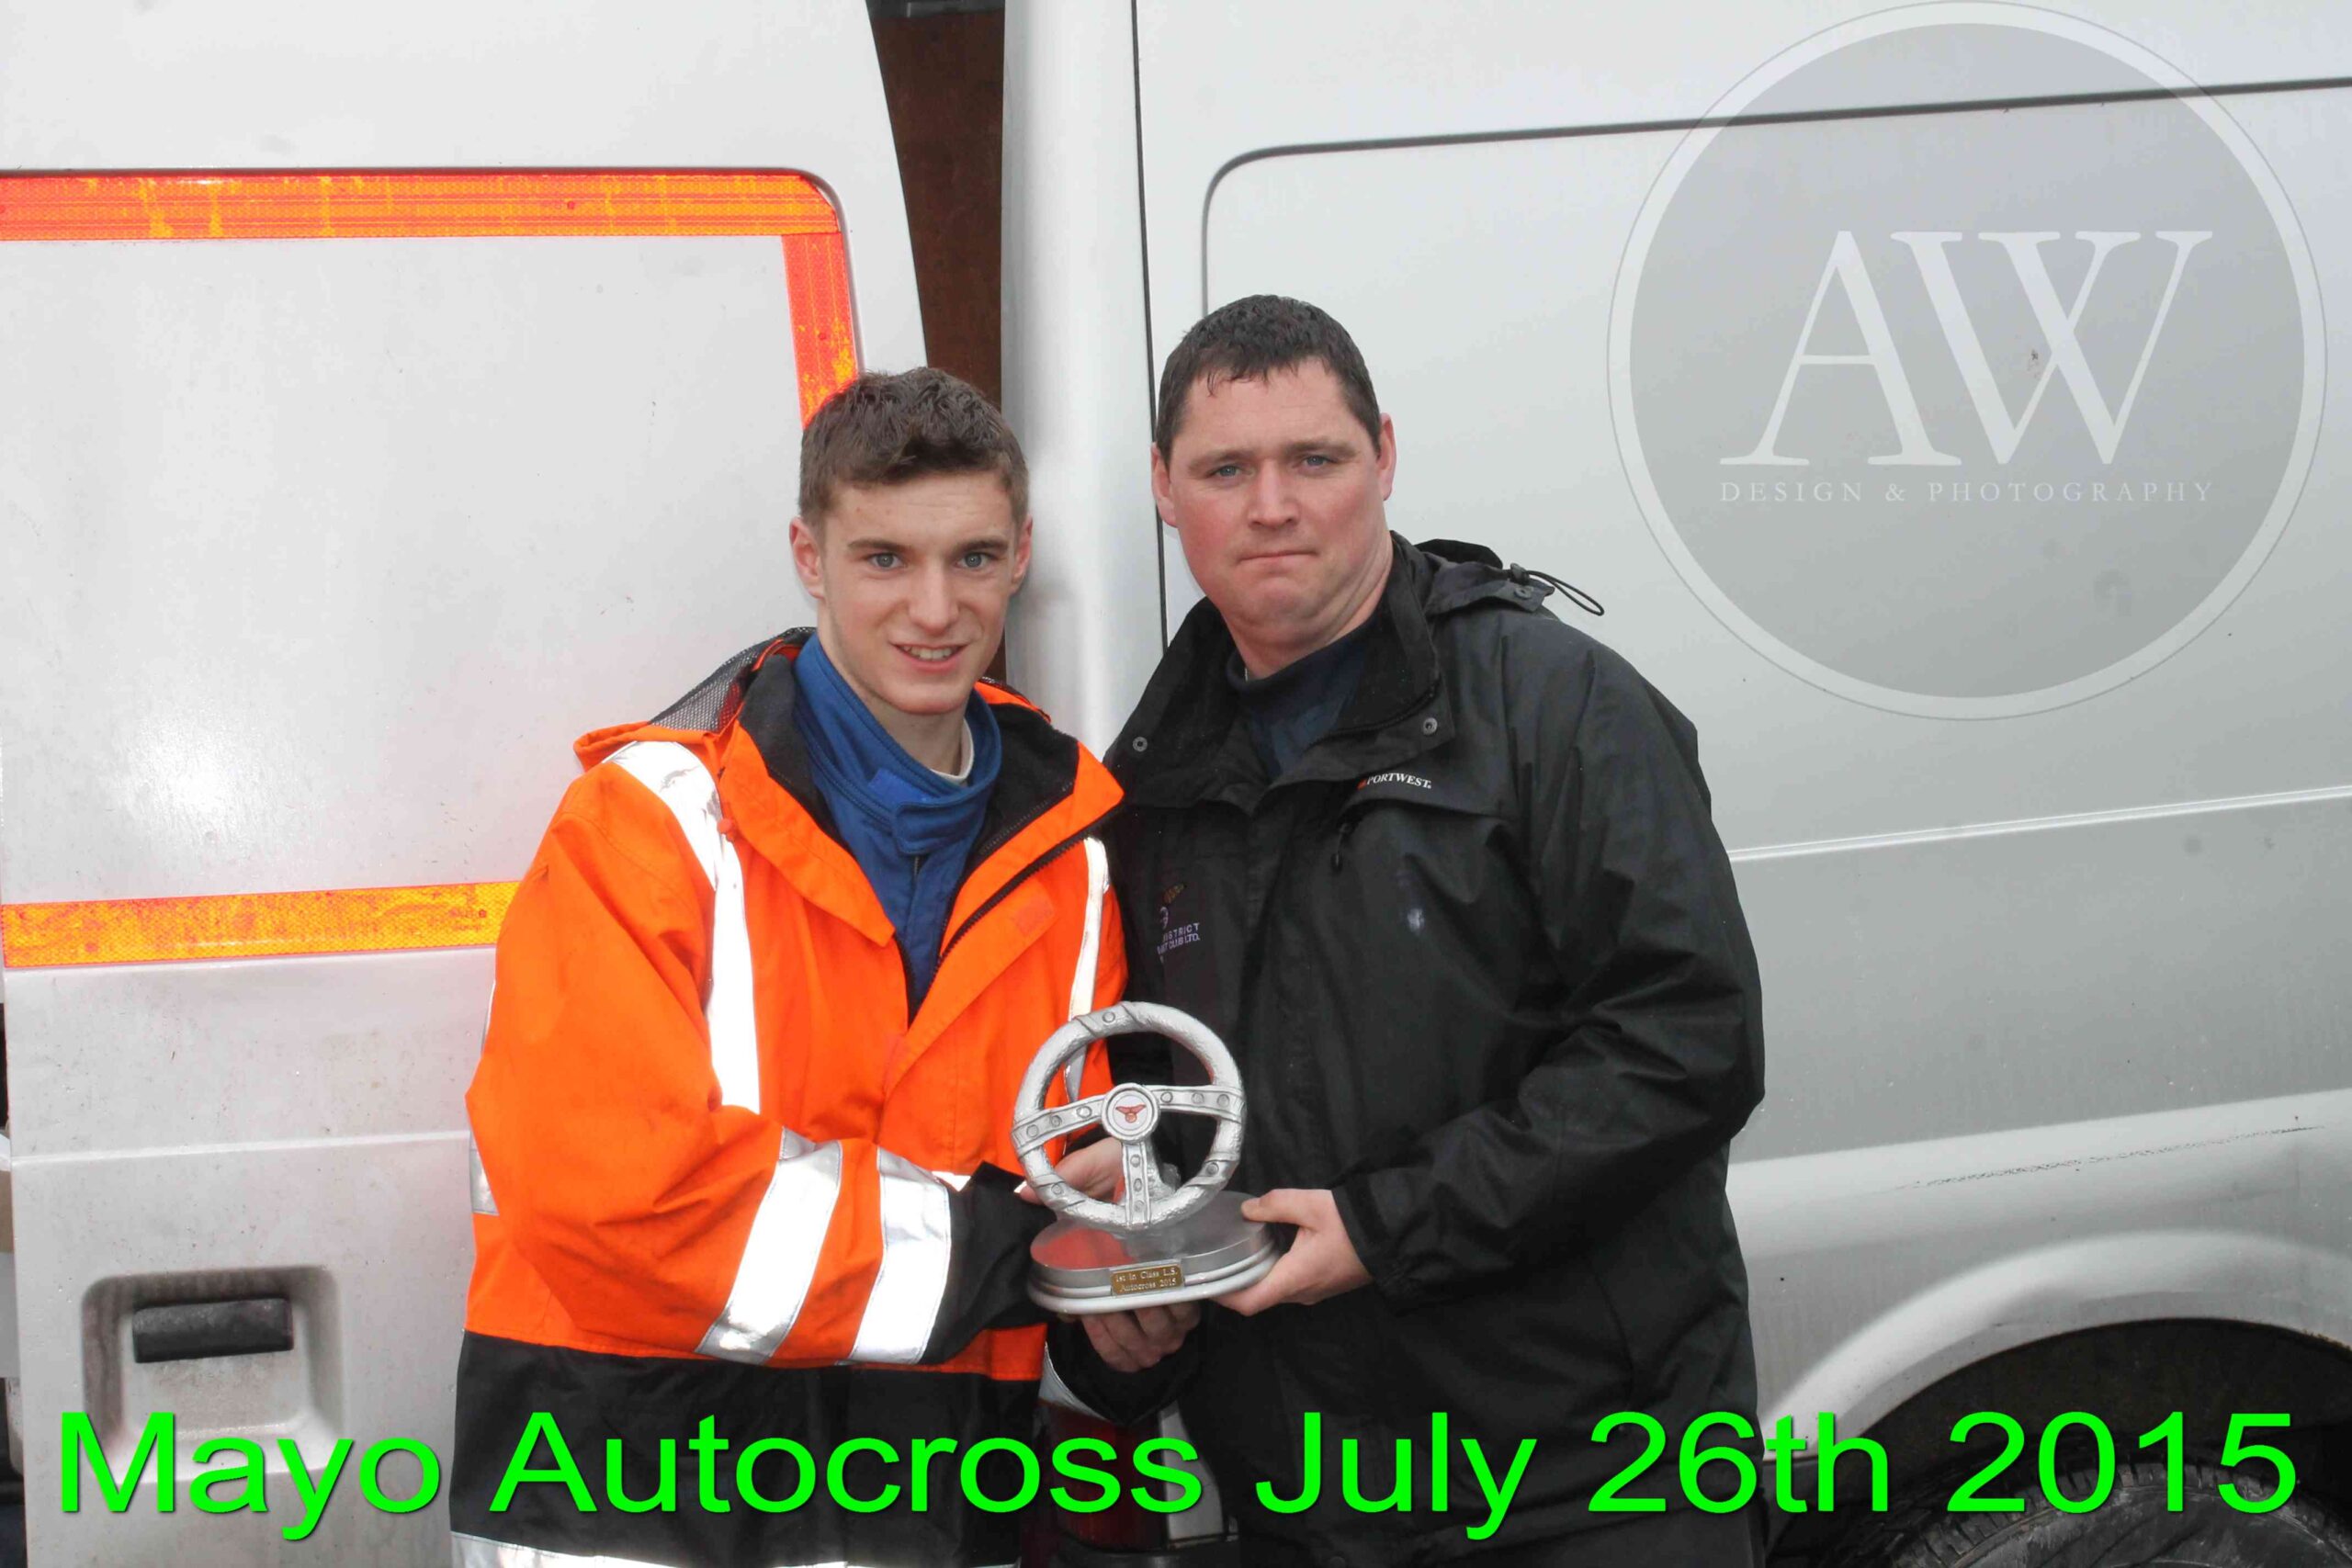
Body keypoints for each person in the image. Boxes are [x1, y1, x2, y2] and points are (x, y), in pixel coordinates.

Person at [1086, 296, 1769, 1563]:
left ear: (1386, 456)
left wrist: (1386, 1228)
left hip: (1583, 1483)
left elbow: (1689, 1042)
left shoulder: (1555, 708)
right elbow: (1156, 1113)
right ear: (1165, 489)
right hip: (1310, 1502)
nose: (1273, 506)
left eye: (1315, 459)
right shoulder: (1144, 788)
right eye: (1226, 471)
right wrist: (1125, 1284)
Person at [449, 368, 1130, 1568]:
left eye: (973, 557)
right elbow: (615, 1199)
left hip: (925, 1509)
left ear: (1022, 554)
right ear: (809, 557)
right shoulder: (646, 827)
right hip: (644, 1510)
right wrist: (1006, 1257)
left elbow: (1074, 1196)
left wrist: (1130, 1304)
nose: (936, 609)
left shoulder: (1069, 867)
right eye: (885, 559)